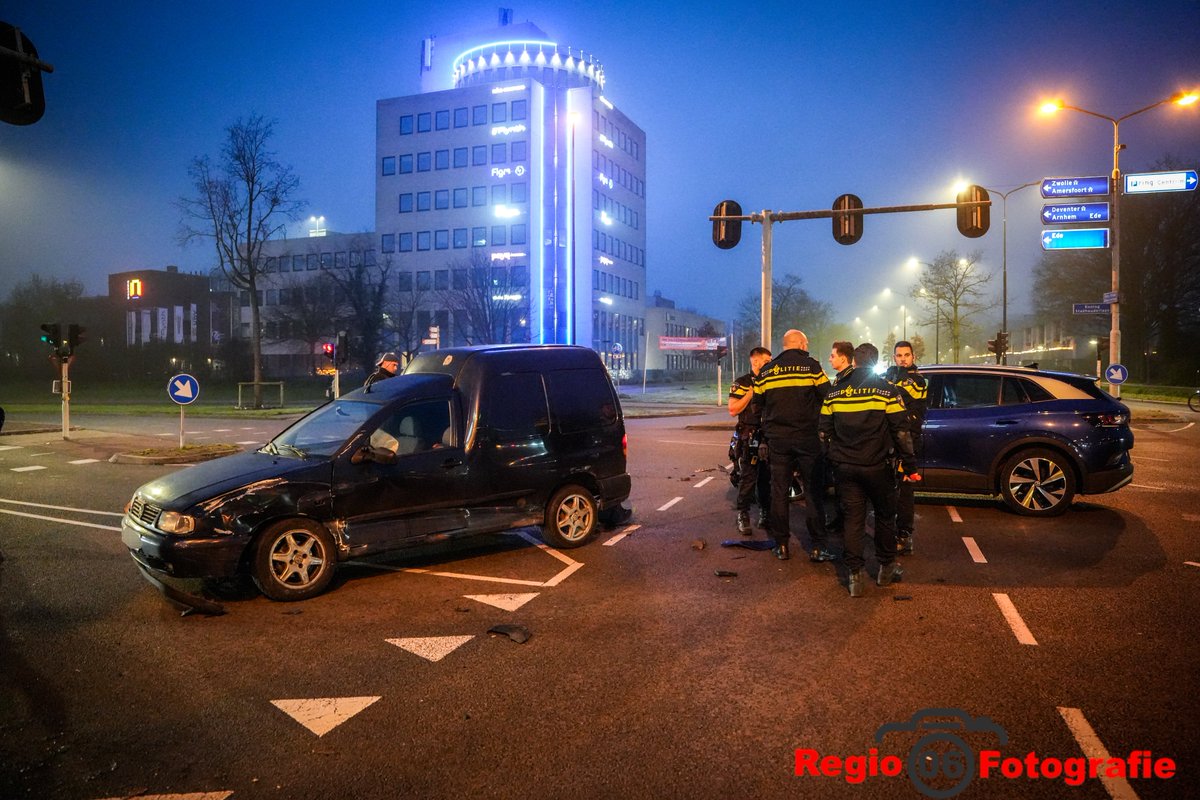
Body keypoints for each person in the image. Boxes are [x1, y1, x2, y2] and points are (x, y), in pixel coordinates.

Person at [819, 343, 920, 597]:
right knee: (885, 517)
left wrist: (834, 458)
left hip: (845, 467)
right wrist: (910, 465)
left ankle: (854, 577)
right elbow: (901, 431)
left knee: (853, 519)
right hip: (878, 467)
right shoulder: (887, 391)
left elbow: (823, 432)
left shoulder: (834, 392)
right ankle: (886, 569)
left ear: (853, 362)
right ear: (876, 362)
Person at [754, 329, 832, 561]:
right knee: (813, 492)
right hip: (807, 438)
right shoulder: (812, 366)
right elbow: (827, 396)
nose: (807, 346)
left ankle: (781, 545)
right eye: (806, 342)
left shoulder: (768, 370)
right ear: (798, 343)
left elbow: (758, 404)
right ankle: (818, 546)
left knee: (779, 492)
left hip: (777, 439)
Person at [885, 340, 928, 556]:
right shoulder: (891, 375)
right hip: (890, 441)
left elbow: (899, 396)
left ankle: (904, 534)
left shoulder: (917, 381)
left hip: (907, 441)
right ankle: (891, 531)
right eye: (899, 355)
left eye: (906, 355)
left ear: (913, 357)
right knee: (889, 489)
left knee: (904, 491)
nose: (902, 359)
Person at [728, 346, 772, 533]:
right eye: (767, 361)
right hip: (749, 437)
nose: (770, 364)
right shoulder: (742, 383)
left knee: (767, 478)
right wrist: (750, 393)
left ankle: (765, 513)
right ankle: (743, 514)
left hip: (769, 435)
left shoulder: (771, 381)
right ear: (755, 361)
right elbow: (733, 409)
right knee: (748, 478)